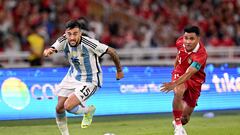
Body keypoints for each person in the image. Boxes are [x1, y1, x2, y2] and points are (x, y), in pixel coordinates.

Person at [43, 20, 124, 135]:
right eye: (69, 34)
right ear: (65, 33)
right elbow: (53, 48)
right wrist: (49, 50)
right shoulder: (63, 40)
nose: (71, 37)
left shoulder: (89, 43)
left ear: (80, 33)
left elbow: (112, 51)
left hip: (91, 80)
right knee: (59, 108)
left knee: (68, 106)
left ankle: (88, 110)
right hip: (73, 75)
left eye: (75, 34)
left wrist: (119, 70)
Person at [160, 26, 208, 135]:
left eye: (191, 39)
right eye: (186, 38)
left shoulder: (201, 54)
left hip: (195, 80)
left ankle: (179, 122)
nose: (188, 41)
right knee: (178, 91)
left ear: (198, 39)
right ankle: (178, 126)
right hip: (180, 73)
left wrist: (173, 83)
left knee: (185, 118)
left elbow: (190, 73)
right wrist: (175, 71)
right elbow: (179, 55)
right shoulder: (179, 42)